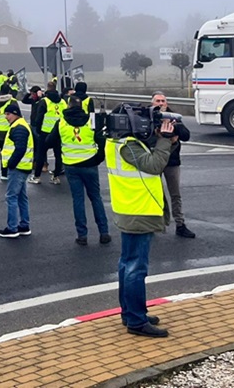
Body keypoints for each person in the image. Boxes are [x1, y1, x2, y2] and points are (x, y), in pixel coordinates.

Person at [107, 105, 175, 337]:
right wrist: (164, 141)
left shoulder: (117, 142)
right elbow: (154, 165)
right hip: (138, 212)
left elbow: (147, 160)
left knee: (127, 264)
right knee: (136, 267)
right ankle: (136, 320)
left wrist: (161, 140)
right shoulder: (128, 146)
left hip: (130, 210)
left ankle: (131, 313)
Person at [49, 100, 110, 246]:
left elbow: (49, 141)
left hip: (71, 165)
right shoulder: (91, 120)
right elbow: (102, 141)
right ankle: (104, 233)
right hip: (90, 164)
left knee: (78, 200)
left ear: (68, 106)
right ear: (82, 107)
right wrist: (98, 159)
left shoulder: (61, 122)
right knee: (96, 198)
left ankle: (82, 235)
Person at [152, 92, 195, 238]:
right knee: (155, 194)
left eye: (163, 101)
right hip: (154, 161)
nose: (160, 103)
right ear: (152, 103)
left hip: (172, 161)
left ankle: (180, 224)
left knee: (175, 194)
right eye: (157, 100)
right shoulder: (147, 116)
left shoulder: (173, 117)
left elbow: (186, 135)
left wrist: (172, 129)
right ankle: (155, 224)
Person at [0, 103, 33, 238]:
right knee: (21, 197)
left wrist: (11, 164)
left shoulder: (19, 128)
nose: (6, 117)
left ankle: (12, 228)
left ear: (15, 114)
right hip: (23, 166)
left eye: (8, 114)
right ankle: (24, 225)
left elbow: (20, 148)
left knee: (11, 197)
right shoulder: (21, 125)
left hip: (18, 167)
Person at [32, 89, 65, 185]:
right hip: (58, 132)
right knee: (58, 155)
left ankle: (37, 176)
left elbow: (39, 117)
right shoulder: (62, 102)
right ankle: (56, 177)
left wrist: (38, 130)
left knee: (40, 155)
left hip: (45, 132)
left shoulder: (44, 101)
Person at [0, 94, 19, 178]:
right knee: (13, 150)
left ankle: (4, 172)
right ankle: (12, 170)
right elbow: (17, 114)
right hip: (10, 129)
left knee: (3, 151)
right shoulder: (12, 101)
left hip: (0, 130)